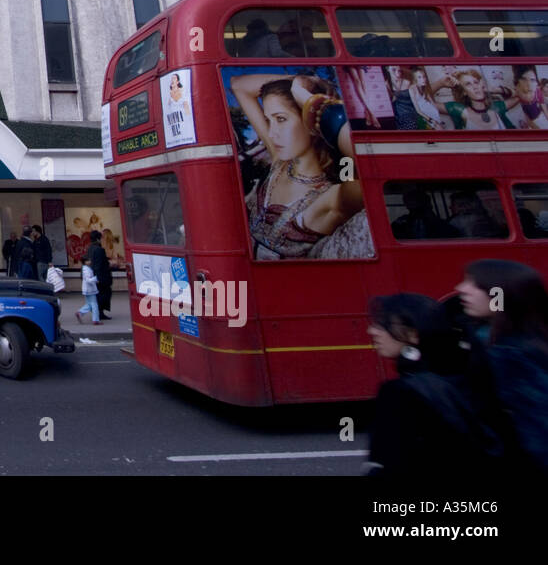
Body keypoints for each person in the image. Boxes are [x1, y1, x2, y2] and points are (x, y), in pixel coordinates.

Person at [231, 71, 371, 260]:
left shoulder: (334, 197)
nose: (271, 134)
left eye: (281, 119)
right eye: (268, 121)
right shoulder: (280, 161)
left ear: (311, 123)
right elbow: (239, 85)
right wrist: (304, 83)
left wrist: (310, 100)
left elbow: (358, 157)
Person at [363, 293, 497, 476]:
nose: (372, 331)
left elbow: (391, 465)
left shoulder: (399, 392)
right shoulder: (465, 377)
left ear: (413, 334)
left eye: (382, 324)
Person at [455, 260, 548, 473]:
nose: (461, 289)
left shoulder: (508, 352)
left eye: (474, 283)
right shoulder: (506, 339)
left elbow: (538, 430)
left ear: (499, 293)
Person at [440, 69, 514, 130]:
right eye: (468, 84)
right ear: (464, 92)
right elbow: (429, 104)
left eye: (476, 82)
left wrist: (494, 89)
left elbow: (522, 94)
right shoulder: (459, 109)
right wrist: (440, 83)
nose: (475, 87)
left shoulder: (497, 107)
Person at [386, 66, 444, 130]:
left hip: (419, 113)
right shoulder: (411, 88)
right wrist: (430, 119)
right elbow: (418, 109)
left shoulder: (411, 85)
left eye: (424, 77)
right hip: (408, 114)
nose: (423, 79)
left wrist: (436, 117)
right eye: (419, 77)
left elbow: (432, 103)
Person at [390, 187, 459, 240]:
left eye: (415, 202)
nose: (412, 206)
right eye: (409, 203)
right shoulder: (401, 223)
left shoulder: (441, 224)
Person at [87, 230, 113, 316]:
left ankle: (98, 312)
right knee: (104, 294)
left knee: (98, 295)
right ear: (98, 239)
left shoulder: (90, 248)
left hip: (93, 275)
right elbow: (99, 264)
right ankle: (99, 312)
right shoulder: (99, 249)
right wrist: (97, 277)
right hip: (101, 276)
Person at [76, 256, 101, 326]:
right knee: (94, 304)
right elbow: (88, 280)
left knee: (89, 304)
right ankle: (95, 320)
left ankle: (80, 312)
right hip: (90, 289)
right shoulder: (86, 270)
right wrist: (95, 279)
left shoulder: (85, 269)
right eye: (89, 260)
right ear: (85, 262)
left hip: (87, 289)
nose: (90, 262)